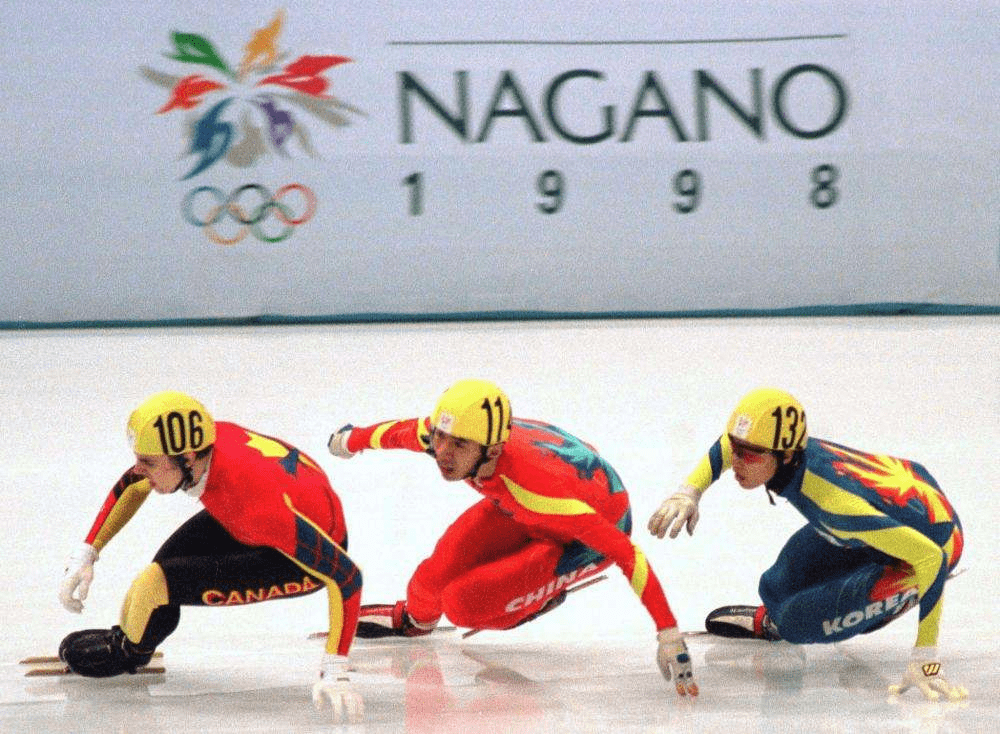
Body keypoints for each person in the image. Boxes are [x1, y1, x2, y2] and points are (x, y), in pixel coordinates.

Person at [326, 378, 698, 697]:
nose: (442, 453)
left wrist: (668, 633)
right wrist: (350, 441)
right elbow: (394, 433)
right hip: (523, 504)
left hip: (585, 529)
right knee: (429, 580)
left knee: (462, 604)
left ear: (492, 449)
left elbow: (626, 553)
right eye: (439, 438)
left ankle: (537, 600)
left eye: (458, 445)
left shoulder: (539, 491)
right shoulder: (451, 436)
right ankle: (416, 621)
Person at [57, 391, 364, 722]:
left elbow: (346, 575)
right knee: (164, 568)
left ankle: (129, 651)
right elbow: (133, 484)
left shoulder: (255, 505)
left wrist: (336, 666)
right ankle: (139, 638)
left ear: (187, 458)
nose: (139, 469)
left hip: (296, 554)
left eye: (148, 462)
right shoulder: (203, 447)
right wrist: (88, 551)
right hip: (265, 514)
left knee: (154, 586)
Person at [647, 387, 966, 702]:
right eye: (735, 448)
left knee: (795, 623)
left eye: (748, 454)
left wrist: (927, 658)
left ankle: (902, 596)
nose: (735, 460)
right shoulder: (786, 455)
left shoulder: (835, 504)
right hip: (893, 516)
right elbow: (725, 447)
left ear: (785, 455)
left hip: (934, 546)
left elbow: (930, 557)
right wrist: (690, 491)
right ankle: (783, 615)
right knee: (775, 585)